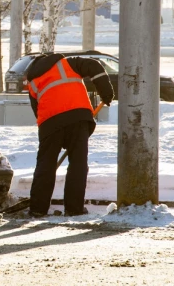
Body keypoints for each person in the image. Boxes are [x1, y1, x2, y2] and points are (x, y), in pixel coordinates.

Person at [25, 53, 114, 217]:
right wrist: (105, 91)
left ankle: (37, 208)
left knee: (45, 165)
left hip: (49, 123)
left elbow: (36, 110)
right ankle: (74, 209)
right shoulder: (67, 63)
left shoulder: (32, 81)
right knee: (78, 164)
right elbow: (94, 66)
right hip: (77, 117)